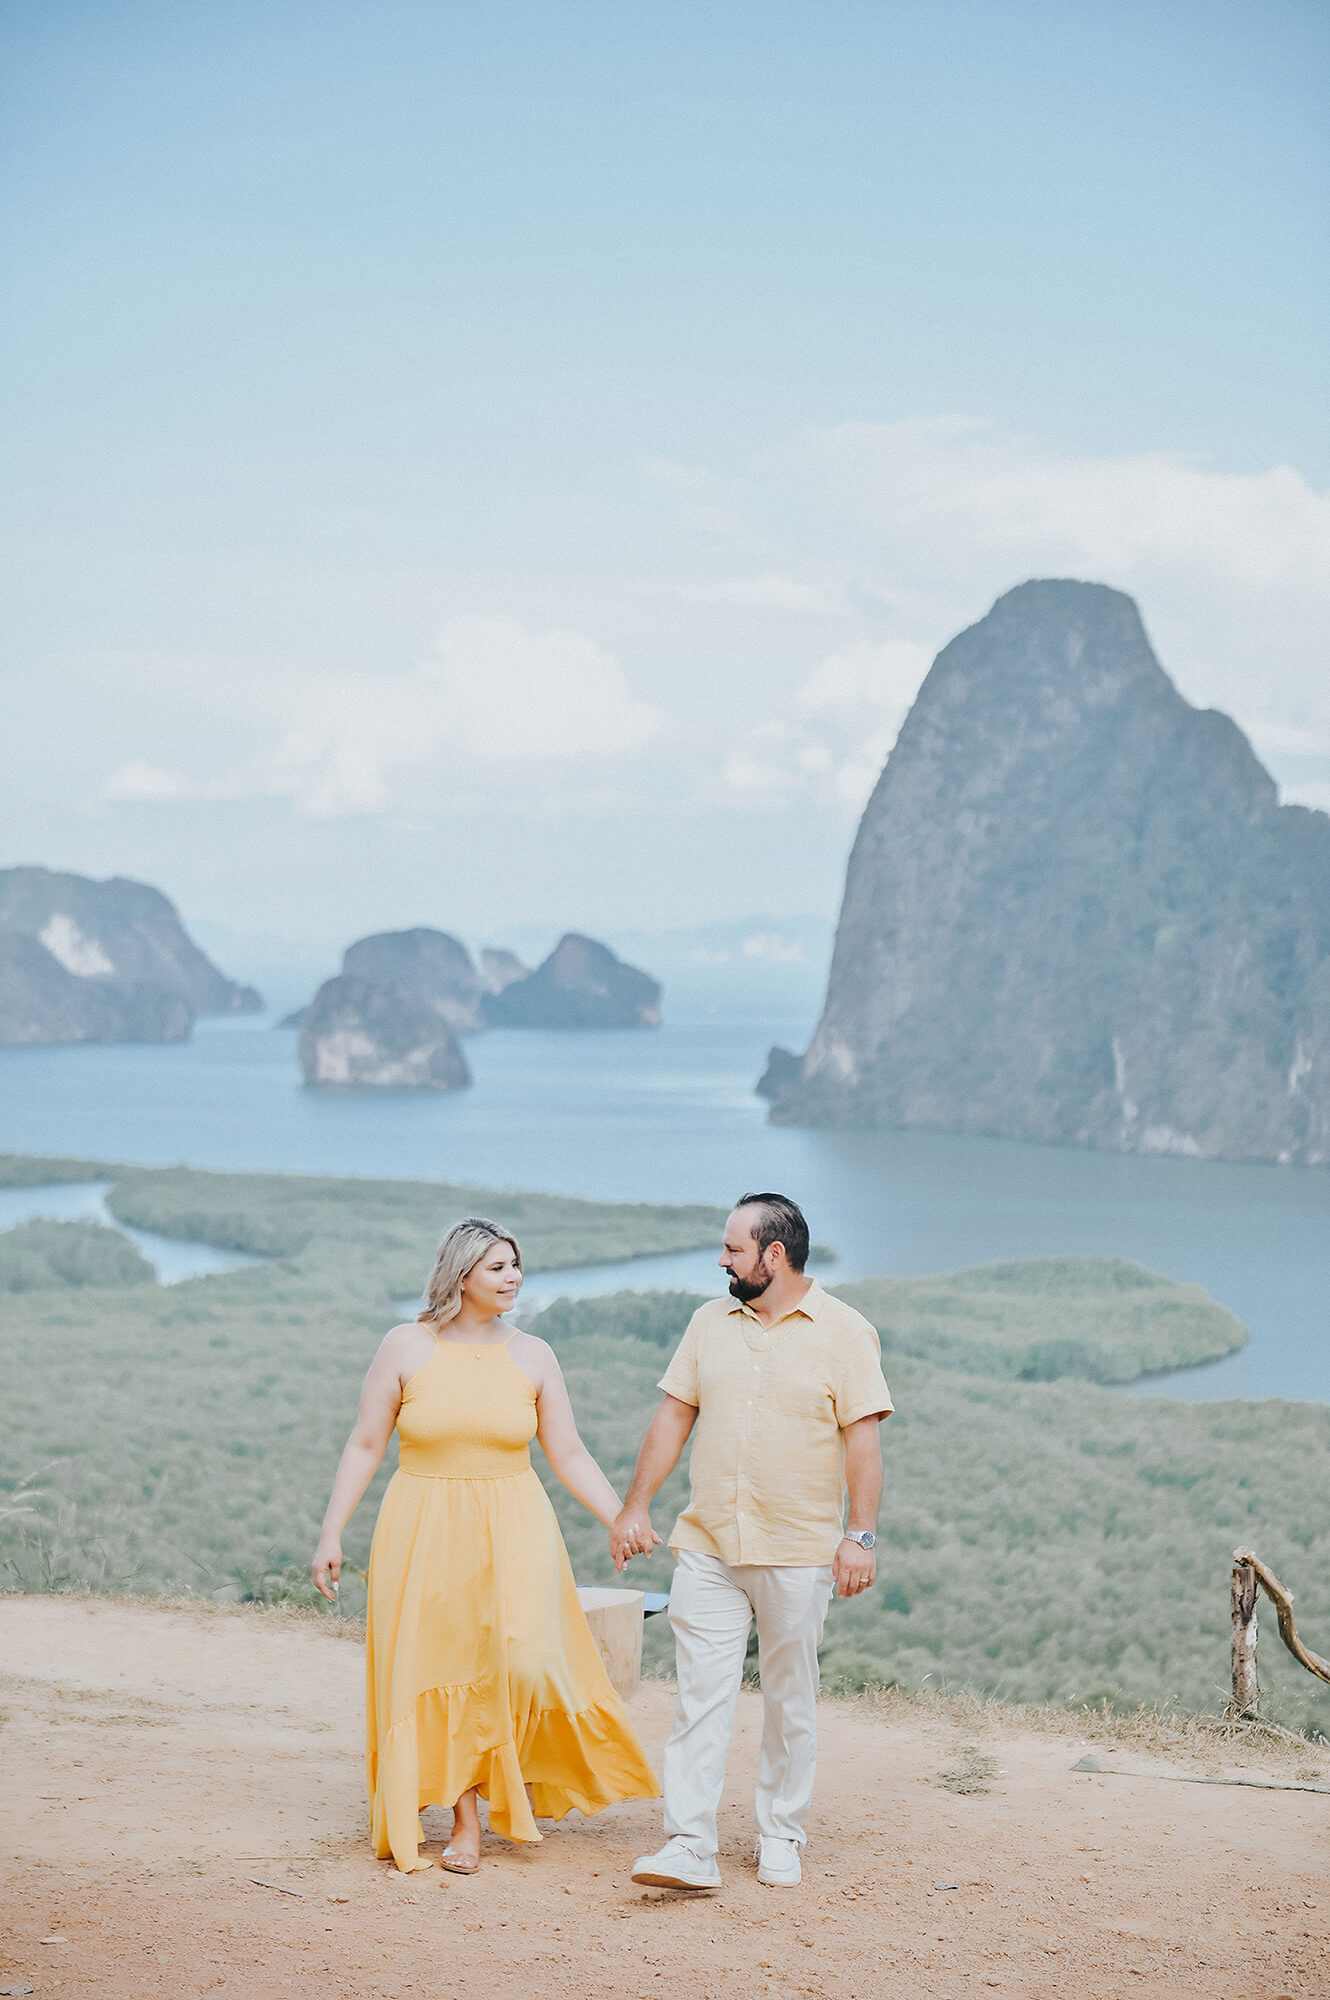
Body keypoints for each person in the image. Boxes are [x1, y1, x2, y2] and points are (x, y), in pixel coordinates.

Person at [312, 1216, 659, 1876]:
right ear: (461, 1274)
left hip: (516, 1521)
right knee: (444, 1667)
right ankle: (465, 1820)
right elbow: (364, 1444)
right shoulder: (405, 1346)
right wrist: (332, 1532)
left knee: (527, 1661)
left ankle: (521, 1778)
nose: (514, 1277)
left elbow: (570, 1451)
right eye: (498, 1267)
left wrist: (622, 1517)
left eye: (516, 1265)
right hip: (424, 1523)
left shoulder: (533, 1354)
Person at [611, 1192, 892, 1892]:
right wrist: (635, 1505)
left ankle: (780, 1834)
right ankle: (688, 1847)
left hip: (798, 1551)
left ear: (774, 1255)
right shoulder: (709, 1322)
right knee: (698, 1699)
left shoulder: (846, 1332)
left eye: (734, 1248)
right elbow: (673, 1417)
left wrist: (860, 1536)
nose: (721, 1259)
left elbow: (864, 1441)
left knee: (788, 1701)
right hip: (707, 1546)